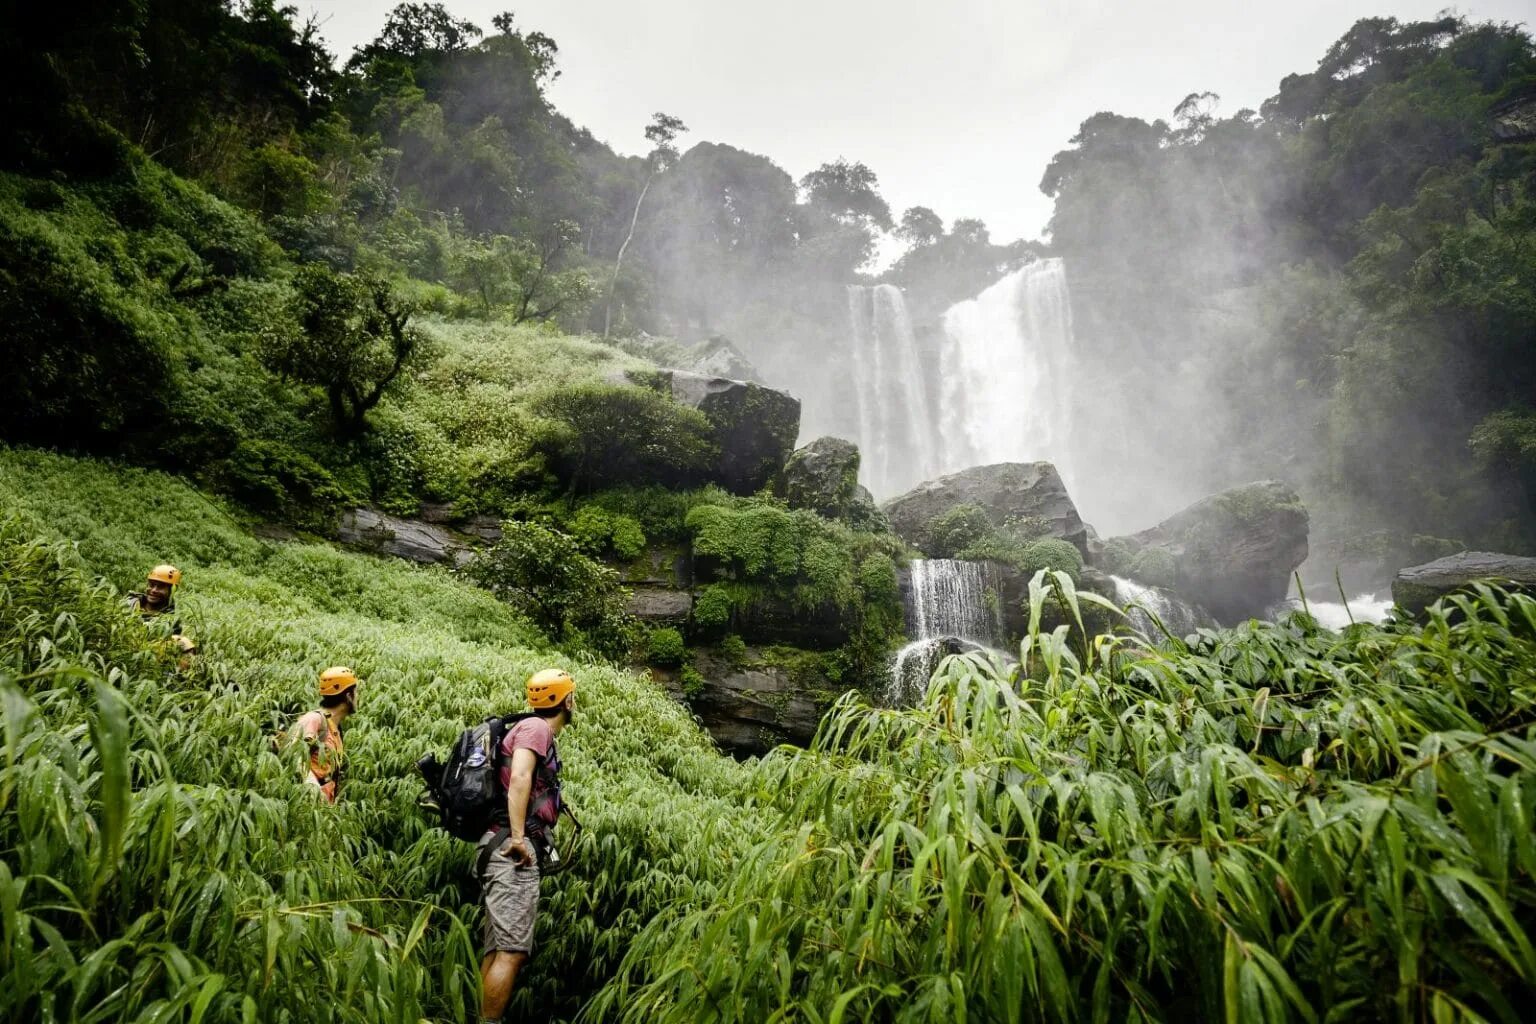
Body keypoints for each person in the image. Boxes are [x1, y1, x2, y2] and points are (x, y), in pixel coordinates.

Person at [477, 668, 575, 1022]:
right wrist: (519, 838)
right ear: (565, 700)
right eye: (572, 696)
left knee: (498, 948)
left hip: (497, 844)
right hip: (510, 848)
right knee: (512, 951)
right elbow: (519, 776)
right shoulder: (536, 729)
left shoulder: (534, 730)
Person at [295, 666, 360, 803]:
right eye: (356, 692)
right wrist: (314, 791)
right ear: (349, 696)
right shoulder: (314, 719)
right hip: (308, 807)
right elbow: (294, 758)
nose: (358, 697)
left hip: (324, 811)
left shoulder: (335, 727)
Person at [126, 564, 183, 634]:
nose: (153, 590)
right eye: (151, 585)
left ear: (172, 591)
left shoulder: (172, 623)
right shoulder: (129, 602)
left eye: (161, 587)